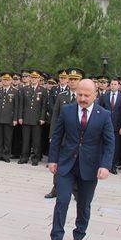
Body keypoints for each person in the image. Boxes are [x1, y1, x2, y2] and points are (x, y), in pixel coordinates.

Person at [47, 79, 114, 240]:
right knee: (61, 201)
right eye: (79, 95)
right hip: (66, 164)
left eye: (86, 95)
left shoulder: (104, 114)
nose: (82, 98)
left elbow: (109, 143)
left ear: (95, 95)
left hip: (90, 167)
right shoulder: (67, 111)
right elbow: (57, 136)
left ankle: (78, 237)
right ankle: (56, 239)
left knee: (84, 205)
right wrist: (53, 160)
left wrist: (105, 165)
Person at [45, 68, 83, 198]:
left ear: (80, 81)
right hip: (62, 137)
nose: (72, 82)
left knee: (77, 164)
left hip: (77, 138)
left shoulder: (83, 97)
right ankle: (56, 188)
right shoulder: (62, 96)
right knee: (58, 163)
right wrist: (52, 136)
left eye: (75, 79)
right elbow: (55, 117)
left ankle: (77, 192)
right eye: (70, 79)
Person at [18, 70, 48, 166]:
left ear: (39, 79)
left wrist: (42, 118)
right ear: (30, 78)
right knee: (25, 139)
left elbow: (44, 106)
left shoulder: (43, 90)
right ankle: (24, 157)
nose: (34, 79)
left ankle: (35, 158)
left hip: (37, 119)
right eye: (33, 77)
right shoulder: (24, 89)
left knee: (36, 140)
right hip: (26, 118)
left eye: (36, 78)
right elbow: (21, 105)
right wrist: (20, 117)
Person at [98, 77, 121, 175]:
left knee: (115, 146)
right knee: (103, 145)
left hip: (117, 125)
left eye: (115, 84)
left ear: (118, 86)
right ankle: (103, 164)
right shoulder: (104, 96)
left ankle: (113, 166)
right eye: (112, 84)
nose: (113, 86)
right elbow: (99, 110)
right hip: (105, 125)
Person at [0, 72, 18, 163]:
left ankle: (6, 155)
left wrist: (15, 119)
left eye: (7, 80)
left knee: (7, 138)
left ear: (11, 81)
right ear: (1, 80)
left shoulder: (15, 91)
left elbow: (16, 107)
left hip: (9, 118)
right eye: (4, 80)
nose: (5, 81)